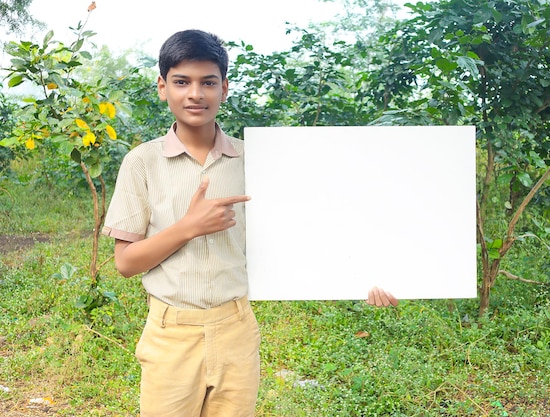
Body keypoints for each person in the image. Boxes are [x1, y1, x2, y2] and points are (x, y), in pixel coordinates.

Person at [102, 29, 397, 417]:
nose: (196, 94)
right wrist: (188, 226)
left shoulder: (256, 160)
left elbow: (311, 231)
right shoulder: (142, 162)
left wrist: (364, 277)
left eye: (208, 82)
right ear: (162, 87)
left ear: (224, 88)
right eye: (181, 82)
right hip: (170, 332)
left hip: (236, 329)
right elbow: (125, 263)